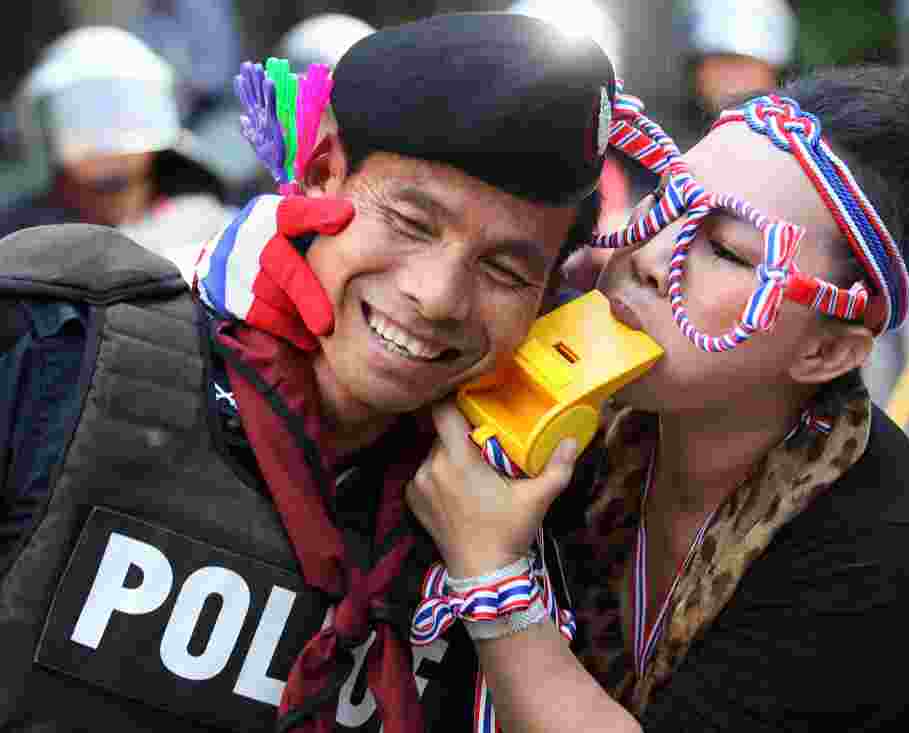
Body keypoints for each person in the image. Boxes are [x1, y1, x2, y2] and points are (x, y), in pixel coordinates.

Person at [0, 12, 613, 733]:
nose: (439, 295)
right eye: (412, 222)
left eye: (506, 269)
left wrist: (496, 579)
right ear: (323, 175)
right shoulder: (59, 349)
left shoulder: (529, 522)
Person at [405, 63, 909, 731]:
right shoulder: (589, 387)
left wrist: (492, 575)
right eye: (667, 196)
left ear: (826, 351)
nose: (652, 252)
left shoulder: (881, 553)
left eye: (723, 248)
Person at [2, 25, 232, 277]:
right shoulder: (15, 242)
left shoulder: (216, 231)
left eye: (124, 117)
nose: (106, 147)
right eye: (83, 116)